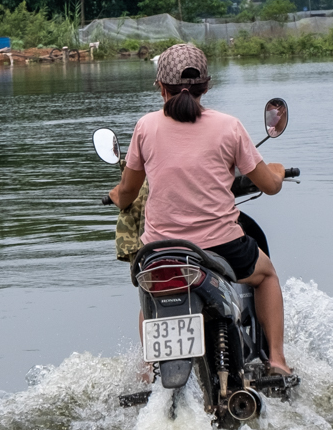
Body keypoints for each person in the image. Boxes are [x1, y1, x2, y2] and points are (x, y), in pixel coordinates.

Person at [106, 43, 292, 375]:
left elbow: (128, 191)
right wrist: (276, 173)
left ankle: (150, 368)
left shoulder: (145, 127)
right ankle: (277, 361)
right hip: (222, 247)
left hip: (161, 250)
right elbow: (269, 185)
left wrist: (116, 196)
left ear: (161, 87)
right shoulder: (229, 126)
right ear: (206, 87)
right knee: (267, 276)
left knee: (151, 291)